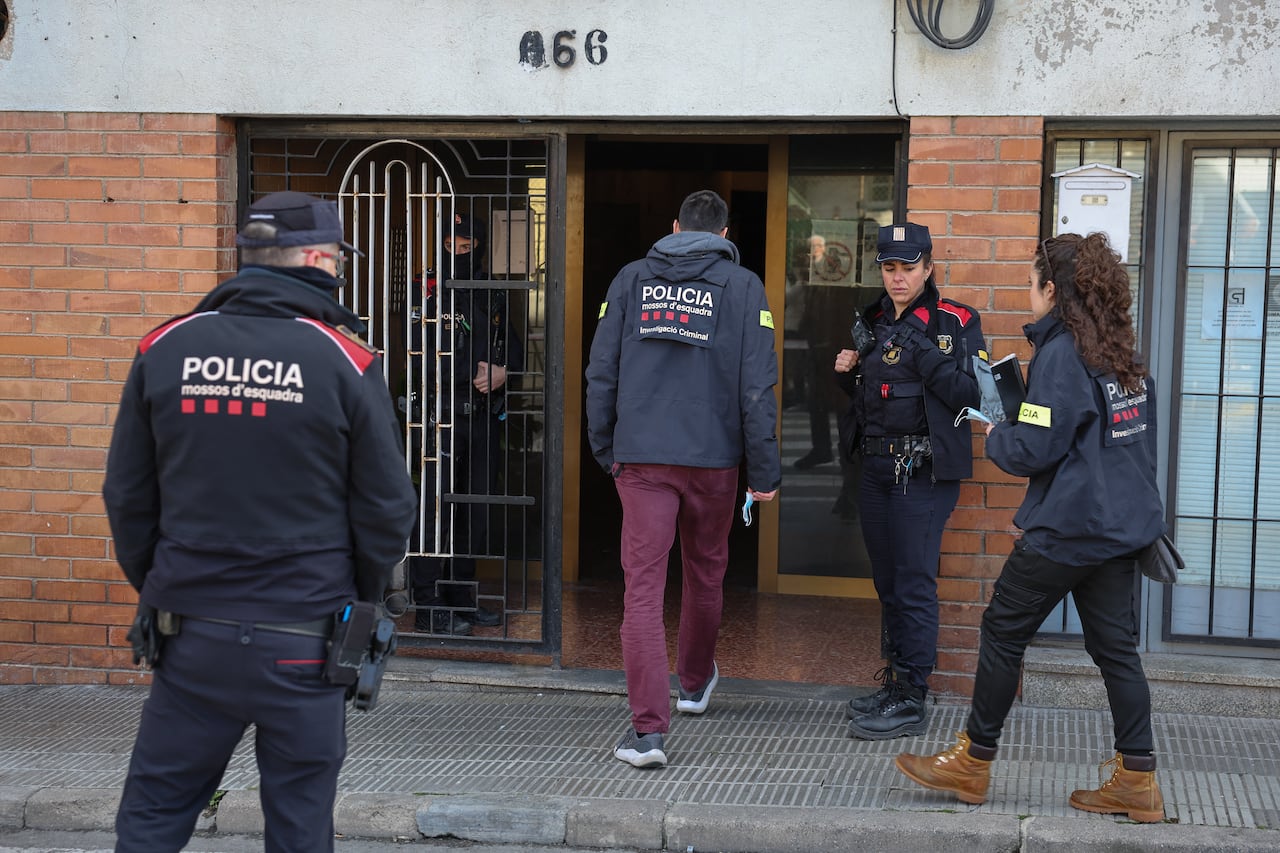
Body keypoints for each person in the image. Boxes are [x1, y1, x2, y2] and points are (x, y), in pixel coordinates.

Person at [103, 190, 418, 852]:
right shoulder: (345, 360)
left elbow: (127, 496)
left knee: (153, 817)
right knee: (301, 825)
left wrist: (164, 584)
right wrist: (356, 596)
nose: (337, 269)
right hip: (304, 641)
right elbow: (388, 511)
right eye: (335, 257)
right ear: (314, 257)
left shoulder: (166, 347)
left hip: (190, 636)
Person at [895, 232, 1167, 822]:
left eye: (1030, 283)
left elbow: (1036, 447)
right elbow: (1112, 439)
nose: (1028, 294)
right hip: (1120, 530)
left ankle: (973, 761)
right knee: (1117, 651)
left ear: (1052, 289)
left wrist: (998, 434)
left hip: (1069, 530)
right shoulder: (1119, 349)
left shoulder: (1062, 355)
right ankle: (1137, 779)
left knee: (1001, 631)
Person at [585, 189, 781, 769]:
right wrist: (763, 471)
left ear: (674, 227)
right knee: (706, 570)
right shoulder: (744, 288)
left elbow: (601, 371)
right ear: (725, 236)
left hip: (642, 458)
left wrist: (605, 449)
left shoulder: (629, 279)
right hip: (714, 459)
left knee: (641, 589)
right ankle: (693, 684)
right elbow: (757, 387)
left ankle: (647, 734)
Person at [833, 222, 985, 740]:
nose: (898, 278)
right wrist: (848, 373)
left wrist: (923, 353)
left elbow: (974, 395)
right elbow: (871, 397)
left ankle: (913, 697)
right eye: (889, 268)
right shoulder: (872, 319)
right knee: (887, 581)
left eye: (908, 268)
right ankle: (897, 680)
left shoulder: (957, 321)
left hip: (923, 470)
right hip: (876, 467)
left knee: (913, 580)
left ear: (928, 267)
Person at [407, 210, 523, 635]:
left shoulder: (488, 289)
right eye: (452, 245)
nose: (459, 251)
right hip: (440, 415)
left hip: (482, 417)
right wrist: (465, 372)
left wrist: (503, 372)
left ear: (478, 246)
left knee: (473, 509)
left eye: (467, 245)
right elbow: (417, 349)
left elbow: (511, 346)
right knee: (434, 508)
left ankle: (460, 597)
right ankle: (427, 602)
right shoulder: (428, 286)